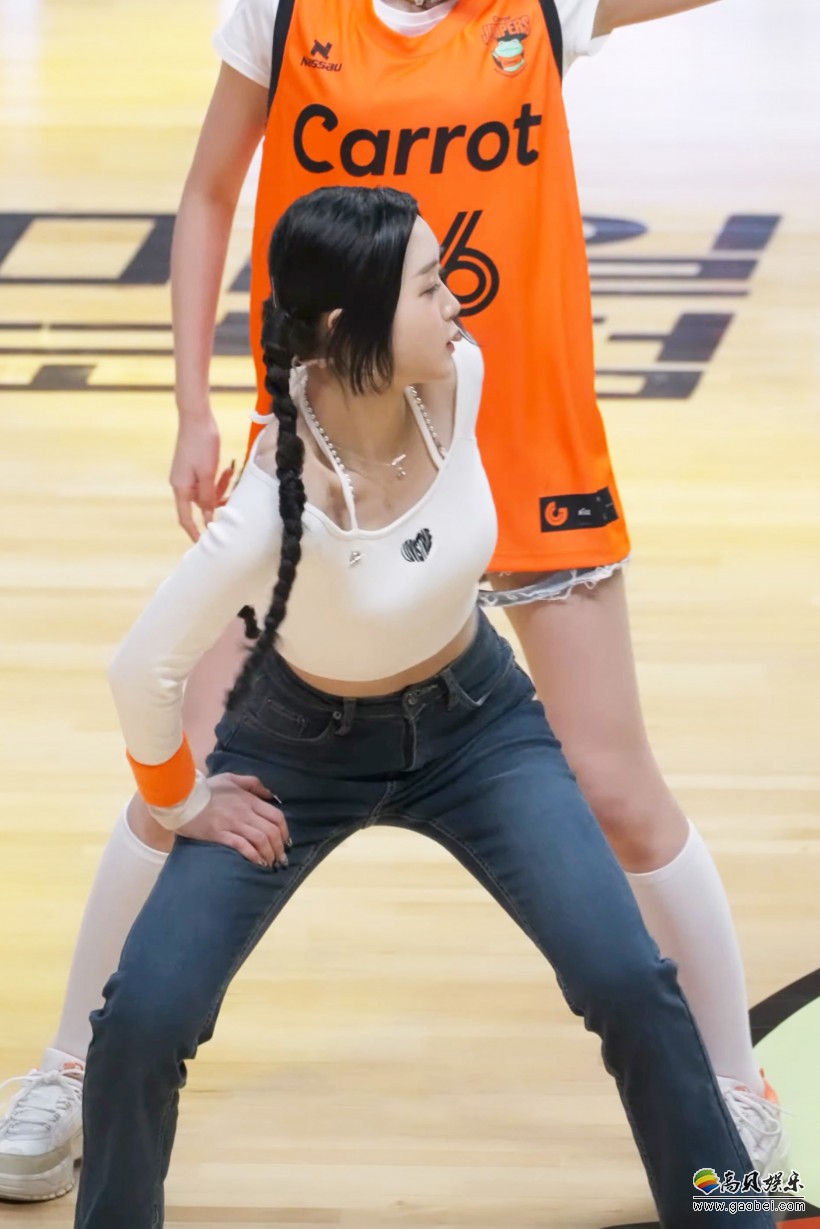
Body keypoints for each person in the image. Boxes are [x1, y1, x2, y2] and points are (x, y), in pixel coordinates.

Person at [0, 0, 784, 1204]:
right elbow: (208, 192)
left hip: (504, 443)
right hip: (337, 450)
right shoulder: (283, 15)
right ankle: (72, 1065)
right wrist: (195, 406)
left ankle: (731, 1086)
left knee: (619, 790)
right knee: (181, 777)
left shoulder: (540, 10)